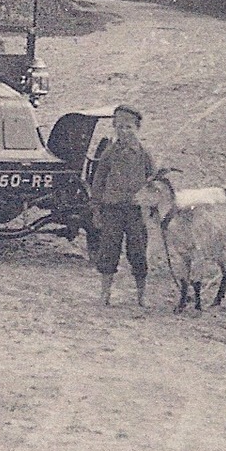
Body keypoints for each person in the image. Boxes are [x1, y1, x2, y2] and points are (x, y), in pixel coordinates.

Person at [89, 104, 156, 307]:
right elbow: (98, 182)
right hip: (112, 211)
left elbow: (154, 182)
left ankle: (141, 296)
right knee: (108, 251)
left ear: (137, 129)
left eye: (128, 127)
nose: (123, 131)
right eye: (119, 127)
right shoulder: (109, 153)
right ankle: (105, 294)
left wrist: (152, 208)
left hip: (136, 212)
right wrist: (96, 209)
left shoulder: (144, 154)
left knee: (138, 252)